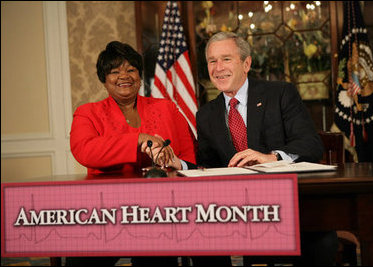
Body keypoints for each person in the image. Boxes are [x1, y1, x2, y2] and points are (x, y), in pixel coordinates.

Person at [194, 31, 338, 266]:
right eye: (212, 61)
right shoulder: (206, 115)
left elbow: (311, 144)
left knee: (322, 243)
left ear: (246, 63)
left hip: (289, 206)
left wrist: (271, 157)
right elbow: (208, 165)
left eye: (226, 59)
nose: (218, 68)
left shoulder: (280, 93)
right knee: (198, 241)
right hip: (235, 212)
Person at [68, 41, 196, 266]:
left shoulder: (167, 107)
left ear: (139, 75)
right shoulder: (88, 113)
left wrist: (175, 161)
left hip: (160, 211)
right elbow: (85, 151)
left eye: (131, 69)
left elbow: (189, 157)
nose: (123, 76)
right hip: (107, 212)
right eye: (114, 71)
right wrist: (138, 139)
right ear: (103, 79)